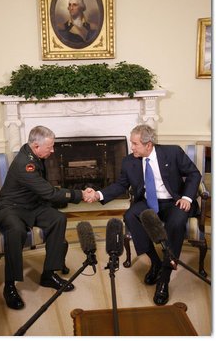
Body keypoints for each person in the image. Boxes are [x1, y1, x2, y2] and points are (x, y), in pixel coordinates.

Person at [85, 124, 201, 305]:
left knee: (176, 223)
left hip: (174, 201)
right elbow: (120, 185)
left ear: (148, 144)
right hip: (148, 202)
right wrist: (98, 194)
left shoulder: (172, 152)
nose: (132, 148)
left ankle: (164, 278)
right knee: (131, 215)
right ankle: (155, 261)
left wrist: (187, 197)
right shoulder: (129, 161)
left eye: (135, 144)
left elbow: (194, 174)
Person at [0, 125, 94, 310]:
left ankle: (48, 274)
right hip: (11, 208)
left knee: (58, 219)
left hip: (32, 206)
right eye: (50, 147)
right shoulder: (26, 164)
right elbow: (48, 193)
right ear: (35, 145)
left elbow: (43, 193)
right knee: (16, 231)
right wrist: (80, 194)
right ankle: (10, 286)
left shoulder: (35, 154)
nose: (53, 150)